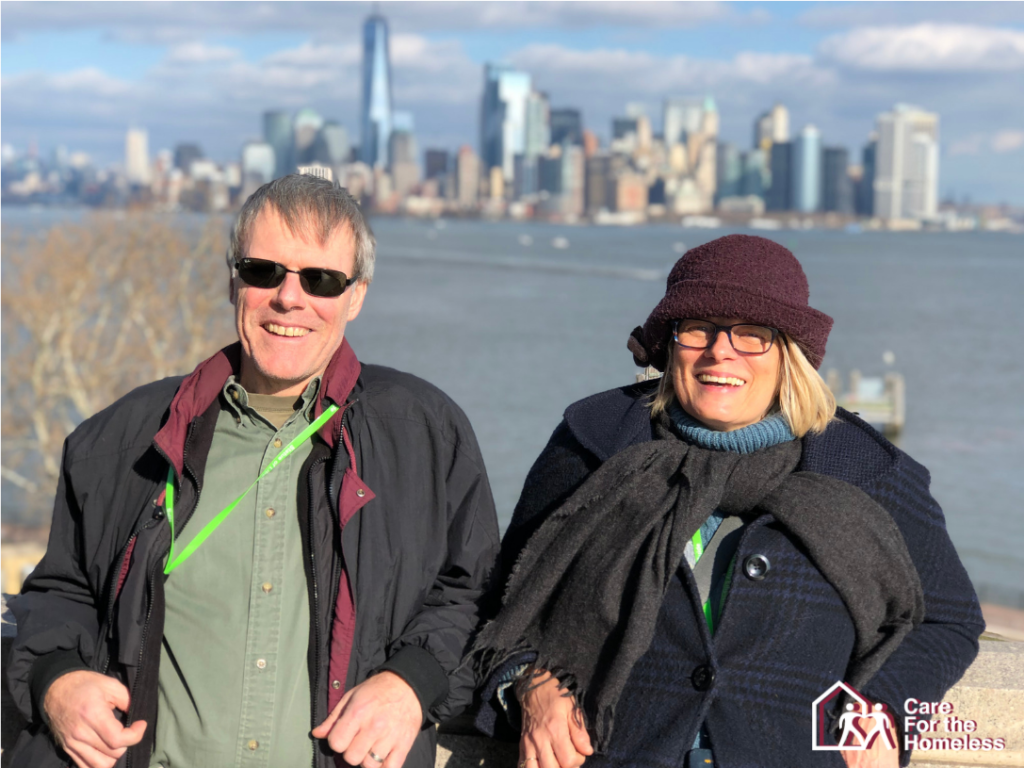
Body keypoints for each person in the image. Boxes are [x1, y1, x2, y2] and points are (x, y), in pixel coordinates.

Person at [7, 174, 500, 768]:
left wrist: (412, 682)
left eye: (321, 279)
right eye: (264, 271)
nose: (289, 299)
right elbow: (63, 588)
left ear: (357, 295)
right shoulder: (119, 439)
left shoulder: (426, 433)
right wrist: (58, 682)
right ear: (233, 280)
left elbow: (475, 589)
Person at [472, 235, 983, 768]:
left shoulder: (866, 470)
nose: (721, 351)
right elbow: (503, 602)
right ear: (670, 344)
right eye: (698, 329)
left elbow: (948, 620)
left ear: (790, 354)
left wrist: (884, 710)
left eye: (752, 334)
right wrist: (528, 683)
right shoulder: (595, 442)